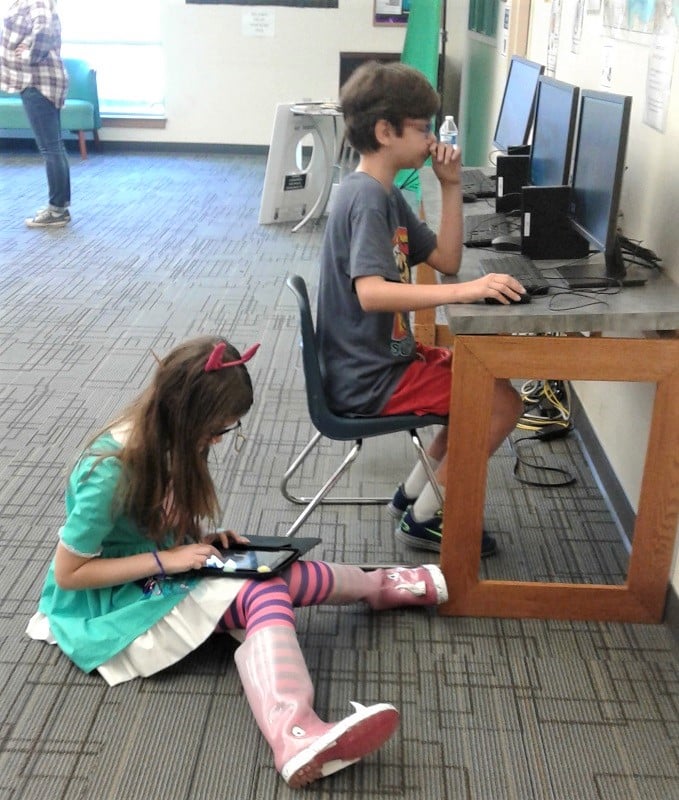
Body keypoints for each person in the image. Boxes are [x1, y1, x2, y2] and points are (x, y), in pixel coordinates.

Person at [25, 335, 449, 789]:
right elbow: (71, 575)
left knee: (270, 572)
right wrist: (168, 559)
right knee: (263, 589)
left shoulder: (170, 439)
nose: (219, 440)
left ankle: (380, 588)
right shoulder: (107, 472)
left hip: (158, 566)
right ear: (185, 414)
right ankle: (294, 733)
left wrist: (196, 542)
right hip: (111, 602)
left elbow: (148, 523)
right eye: (218, 429)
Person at [316, 61, 525, 557]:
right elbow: (372, 293)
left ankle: (415, 494)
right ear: (386, 132)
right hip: (370, 378)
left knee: (483, 383)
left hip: (386, 361)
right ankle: (427, 520)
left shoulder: (387, 193)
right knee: (503, 405)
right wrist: (465, 292)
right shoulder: (366, 199)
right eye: (423, 128)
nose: (432, 139)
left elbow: (447, 259)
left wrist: (451, 185)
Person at [0, 0, 71, 227]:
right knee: (53, 147)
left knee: (50, 147)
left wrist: (28, 56)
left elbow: (44, 31)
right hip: (36, 82)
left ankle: (58, 210)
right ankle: (59, 207)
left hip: (37, 82)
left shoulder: (36, 0)